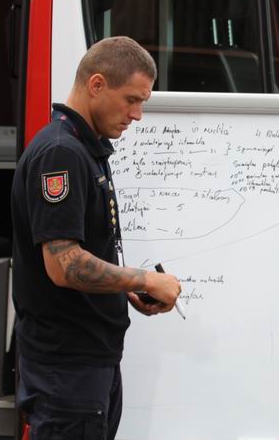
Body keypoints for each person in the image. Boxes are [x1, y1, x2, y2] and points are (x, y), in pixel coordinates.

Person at [11, 36, 181, 439]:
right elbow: (64, 265)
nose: (137, 115)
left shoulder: (85, 149)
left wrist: (125, 289)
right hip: (67, 370)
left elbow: (82, 252)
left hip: (84, 363)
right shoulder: (61, 153)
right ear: (97, 84)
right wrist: (144, 279)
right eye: (131, 100)